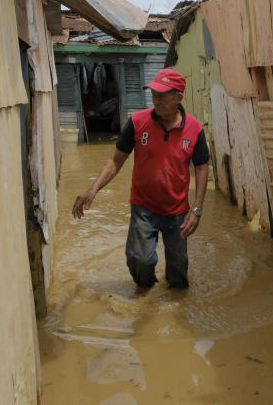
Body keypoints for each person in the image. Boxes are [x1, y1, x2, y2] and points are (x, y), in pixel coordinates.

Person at [72, 68, 210, 289]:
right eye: (153, 94)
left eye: (162, 95)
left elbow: (202, 167)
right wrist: (93, 189)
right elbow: (115, 161)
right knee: (140, 261)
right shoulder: (137, 122)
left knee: (178, 276)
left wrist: (197, 209)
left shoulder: (194, 129)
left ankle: (172, 308)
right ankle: (145, 299)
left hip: (177, 211)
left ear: (178, 97)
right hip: (143, 207)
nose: (155, 99)